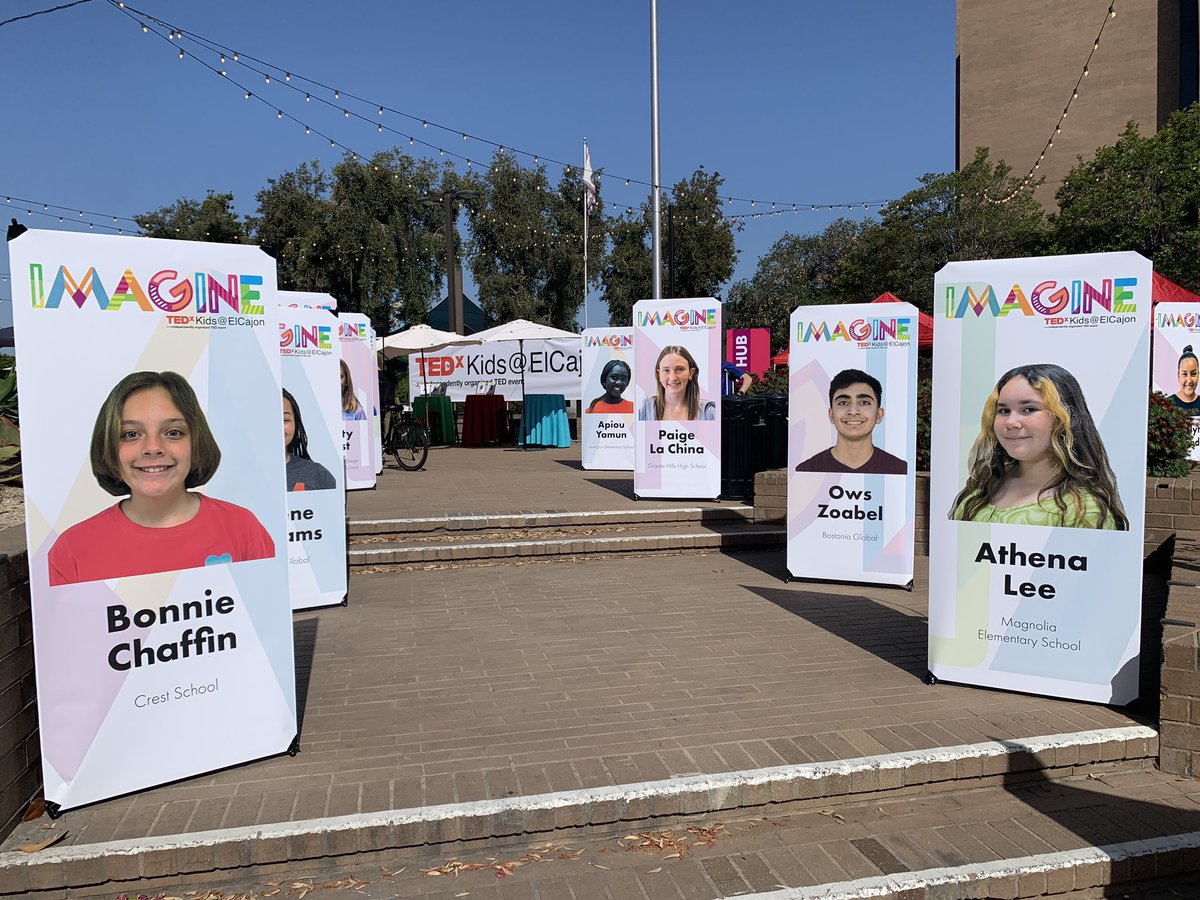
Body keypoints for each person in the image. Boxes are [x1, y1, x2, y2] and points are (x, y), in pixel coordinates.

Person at [48, 371, 275, 586]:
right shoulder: (72, 551)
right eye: (131, 434)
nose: (153, 448)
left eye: (173, 432)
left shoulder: (243, 528)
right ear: (108, 446)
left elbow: (267, 618)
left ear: (196, 442)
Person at [950, 363, 1127, 530]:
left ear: (1064, 418)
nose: (1011, 422)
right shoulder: (981, 489)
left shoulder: (1084, 510)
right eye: (1003, 410)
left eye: (1029, 409)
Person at [795, 369, 907, 474]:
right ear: (831, 415)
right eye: (843, 403)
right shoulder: (806, 471)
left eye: (864, 402)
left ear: (879, 415)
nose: (853, 411)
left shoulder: (900, 470)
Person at [637, 345, 717, 421]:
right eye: (666, 370)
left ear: (691, 373)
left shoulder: (709, 412)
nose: (672, 378)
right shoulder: (644, 409)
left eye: (679, 369)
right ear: (659, 374)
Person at [284, 388, 338, 491]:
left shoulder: (317, 474)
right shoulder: (244, 476)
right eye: (269, 418)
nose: (277, 426)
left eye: (285, 419)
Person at [1170, 345, 1200, 413]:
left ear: (1198, 375)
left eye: (1193, 374)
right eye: (1185, 374)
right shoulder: (1167, 405)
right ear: (1178, 376)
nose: (1189, 380)